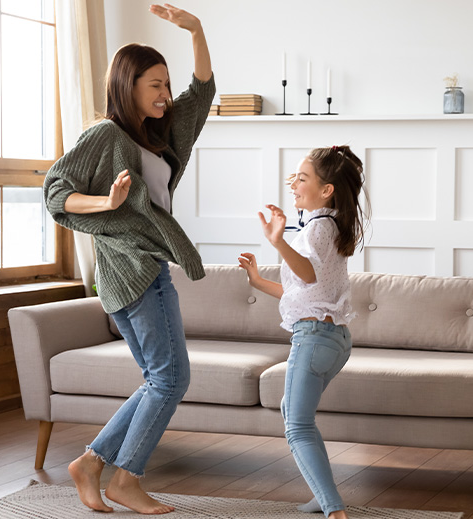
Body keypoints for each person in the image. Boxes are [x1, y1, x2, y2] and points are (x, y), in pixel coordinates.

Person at [43, 3, 214, 514]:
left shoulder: (156, 134)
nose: (165, 94)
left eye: (166, 83)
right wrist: (107, 203)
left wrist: (197, 30)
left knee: (160, 379)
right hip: (133, 269)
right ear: (128, 86)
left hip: (142, 271)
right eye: (155, 85)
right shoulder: (105, 136)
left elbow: (201, 93)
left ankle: (92, 465)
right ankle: (124, 477)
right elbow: (55, 192)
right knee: (171, 378)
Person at [238, 146, 370, 519]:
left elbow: (308, 274)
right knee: (295, 413)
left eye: (302, 177)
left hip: (313, 339)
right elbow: (305, 290)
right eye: (293, 177)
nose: (292, 183)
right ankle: (321, 492)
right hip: (334, 340)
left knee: (296, 425)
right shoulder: (329, 224)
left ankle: (334, 511)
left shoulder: (316, 228)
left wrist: (277, 241)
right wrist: (258, 280)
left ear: (326, 190)